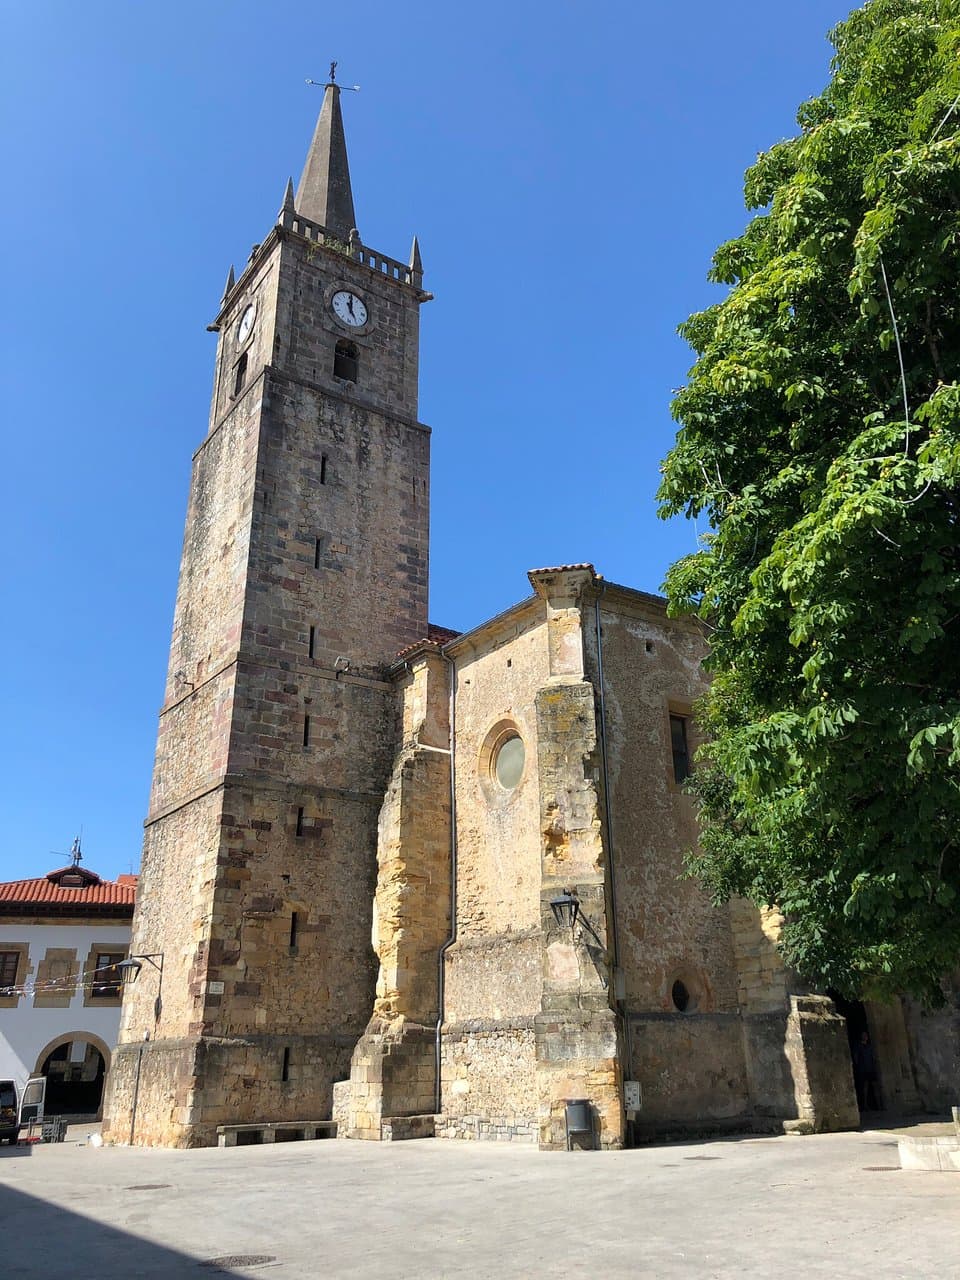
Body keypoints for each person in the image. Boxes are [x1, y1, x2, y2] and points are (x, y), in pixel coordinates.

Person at [852, 1030, 881, 1112]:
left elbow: (873, 1057)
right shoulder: (859, 1046)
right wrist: (858, 1066)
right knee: (865, 1088)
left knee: (875, 1086)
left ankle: (878, 1104)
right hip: (863, 1069)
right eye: (864, 1035)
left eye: (866, 1035)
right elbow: (856, 1057)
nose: (865, 1036)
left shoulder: (869, 1046)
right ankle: (865, 1105)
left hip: (870, 1069)